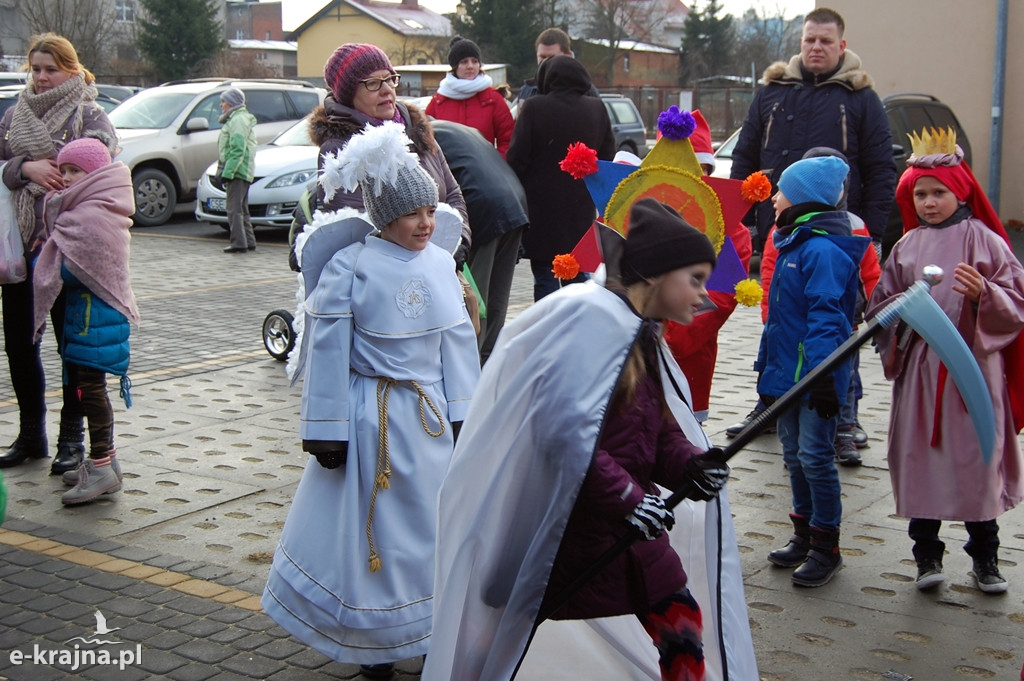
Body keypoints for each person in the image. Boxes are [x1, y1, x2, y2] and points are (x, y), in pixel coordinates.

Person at [424, 199, 756, 681]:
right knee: (510, 625)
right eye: (696, 279)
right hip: (567, 526)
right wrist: (627, 498)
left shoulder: (638, 335)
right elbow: (561, 432)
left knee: (680, 622)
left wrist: (691, 465)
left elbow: (656, 431)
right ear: (658, 274)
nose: (704, 296)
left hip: (627, 528)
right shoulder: (593, 323)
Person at [262, 122, 481, 678]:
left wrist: (466, 414)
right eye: (413, 215)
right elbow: (330, 351)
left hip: (428, 424)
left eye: (431, 212)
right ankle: (371, 643)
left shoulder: (440, 264)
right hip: (370, 423)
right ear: (384, 216)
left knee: (431, 528)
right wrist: (326, 427)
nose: (426, 224)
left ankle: (430, 627)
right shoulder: (349, 266)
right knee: (372, 532)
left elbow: (456, 347)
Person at [867, 127, 1024, 594]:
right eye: (921, 193)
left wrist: (986, 294)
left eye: (939, 192)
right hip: (920, 374)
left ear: (960, 192)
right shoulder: (907, 247)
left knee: (976, 461)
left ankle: (986, 559)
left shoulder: (986, 242)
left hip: (973, 374)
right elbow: (880, 306)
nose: (930, 202)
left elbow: (1016, 299)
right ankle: (926, 555)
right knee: (921, 460)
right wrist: (897, 315)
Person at [726, 6, 896, 436]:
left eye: (825, 41)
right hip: (778, 232)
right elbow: (745, 159)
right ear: (800, 42)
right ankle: (769, 405)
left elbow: (879, 171)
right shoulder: (772, 92)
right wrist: (738, 220)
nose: (816, 47)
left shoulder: (861, 99)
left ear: (842, 46)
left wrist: (872, 235)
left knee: (836, 322)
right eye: (809, 40)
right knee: (778, 320)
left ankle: (844, 414)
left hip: (838, 237)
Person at [0, 33, 116, 474]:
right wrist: (23, 167)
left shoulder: (90, 114)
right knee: (19, 345)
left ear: (71, 68)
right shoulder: (13, 116)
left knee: (75, 350)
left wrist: (63, 174)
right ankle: (31, 435)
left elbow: (102, 174)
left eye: (51, 68)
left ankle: (73, 441)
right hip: (20, 251)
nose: (43, 77)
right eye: (36, 69)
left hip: (71, 251)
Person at [756, 156, 870, 587]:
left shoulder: (822, 250)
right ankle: (803, 534)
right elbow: (779, 323)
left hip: (814, 380)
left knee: (815, 458)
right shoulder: (794, 245)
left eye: (781, 190)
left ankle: (827, 546)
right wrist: (765, 372)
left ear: (803, 198)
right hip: (787, 377)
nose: (773, 198)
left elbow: (828, 319)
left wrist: (822, 376)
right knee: (792, 455)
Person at [756, 147, 881, 466]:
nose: (774, 196)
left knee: (843, 382)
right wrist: (769, 317)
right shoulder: (783, 233)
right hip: (790, 334)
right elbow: (770, 273)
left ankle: (844, 428)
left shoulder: (836, 237)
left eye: (781, 190)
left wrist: (876, 311)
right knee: (794, 442)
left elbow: (866, 277)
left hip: (833, 338)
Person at [32, 138, 138, 505]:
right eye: (63, 170)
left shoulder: (92, 213)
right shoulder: (91, 206)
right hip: (88, 316)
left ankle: (101, 467)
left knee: (90, 392)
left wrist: (48, 262)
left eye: (75, 170)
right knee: (86, 389)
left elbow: (78, 268)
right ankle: (104, 460)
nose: (66, 177)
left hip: (96, 316)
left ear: (95, 175)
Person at [299, 43, 469, 268]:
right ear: (349, 95)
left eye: (390, 79)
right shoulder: (341, 149)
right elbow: (357, 226)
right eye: (373, 83)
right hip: (390, 274)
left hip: (443, 262)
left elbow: (453, 193)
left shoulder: (416, 130)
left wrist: (459, 240)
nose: (387, 89)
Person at [663, 110, 753, 423]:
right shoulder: (637, 207)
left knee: (681, 438)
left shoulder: (728, 227)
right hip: (628, 359)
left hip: (685, 356)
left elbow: (716, 299)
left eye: (694, 168)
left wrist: (664, 340)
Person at [507, 55, 614, 301]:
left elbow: (517, 159)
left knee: (544, 276)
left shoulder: (534, 107)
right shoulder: (596, 109)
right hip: (579, 210)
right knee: (576, 276)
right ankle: (576, 327)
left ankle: (546, 331)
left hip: (541, 211)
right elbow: (607, 156)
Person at [431, 119, 529, 363]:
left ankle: (469, 371)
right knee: (497, 300)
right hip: (515, 203)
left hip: (483, 208)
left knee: (476, 302)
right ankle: (490, 366)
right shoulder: (463, 129)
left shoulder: (423, 138)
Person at [425, 36, 515, 159]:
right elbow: (425, 141)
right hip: (448, 174)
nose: (470, 66)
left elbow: (508, 139)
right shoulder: (438, 101)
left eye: (474, 61)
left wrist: (496, 167)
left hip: (484, 173)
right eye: (464, 62)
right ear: (455, 66)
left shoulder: (493, 99)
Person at [217, 87, 257, 253]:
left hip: (238, 171)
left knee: (234, 209)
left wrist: (228, 172)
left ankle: (238, 243)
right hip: (242, 170)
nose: (221, 105)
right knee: (242, 209)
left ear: (232, 103)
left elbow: (237, 149)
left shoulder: (237, 120)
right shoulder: (238, 118)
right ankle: (248, 240)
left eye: (224, 101)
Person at [515, 28, 598, 103]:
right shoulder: (527, 90)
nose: (546, 62)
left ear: (568, 55)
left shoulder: (586, 91)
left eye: (552, 58)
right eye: (542, 57)